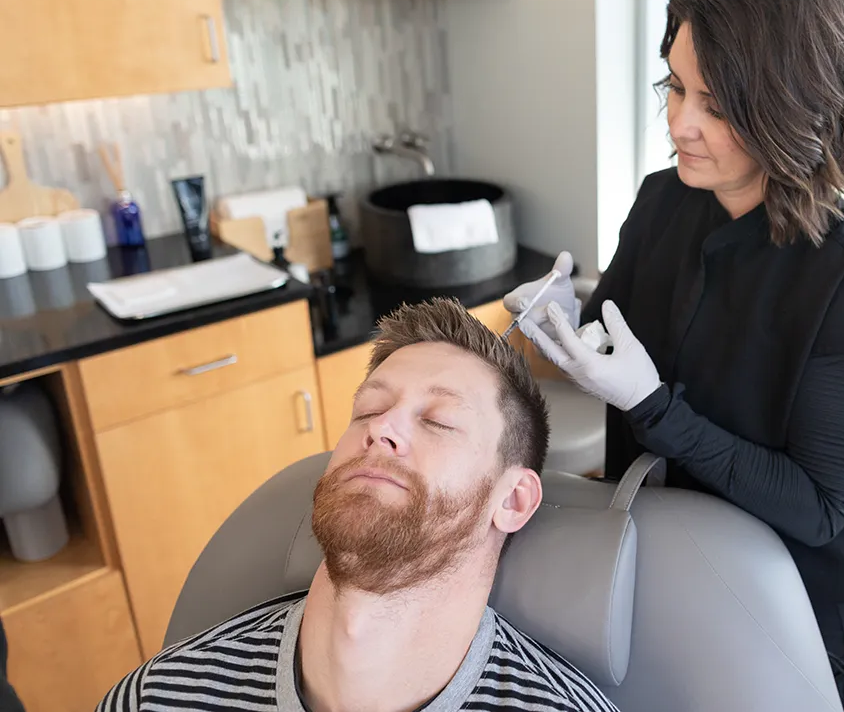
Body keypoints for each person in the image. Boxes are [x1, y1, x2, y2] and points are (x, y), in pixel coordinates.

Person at [505, 0, 844, 712]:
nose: (680, 121)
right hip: (658, 554)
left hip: (791, 601)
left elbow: (818, 506)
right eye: (676, 85)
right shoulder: (666, 200)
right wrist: (568, 327)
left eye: (717, 104)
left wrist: (654, 405)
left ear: (793, 106)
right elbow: (623, 338)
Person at [97, 298, 617, 712]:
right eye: (368, 409)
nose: (381, 429)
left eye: (437, 420)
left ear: (513, 499)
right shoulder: (157, 697)